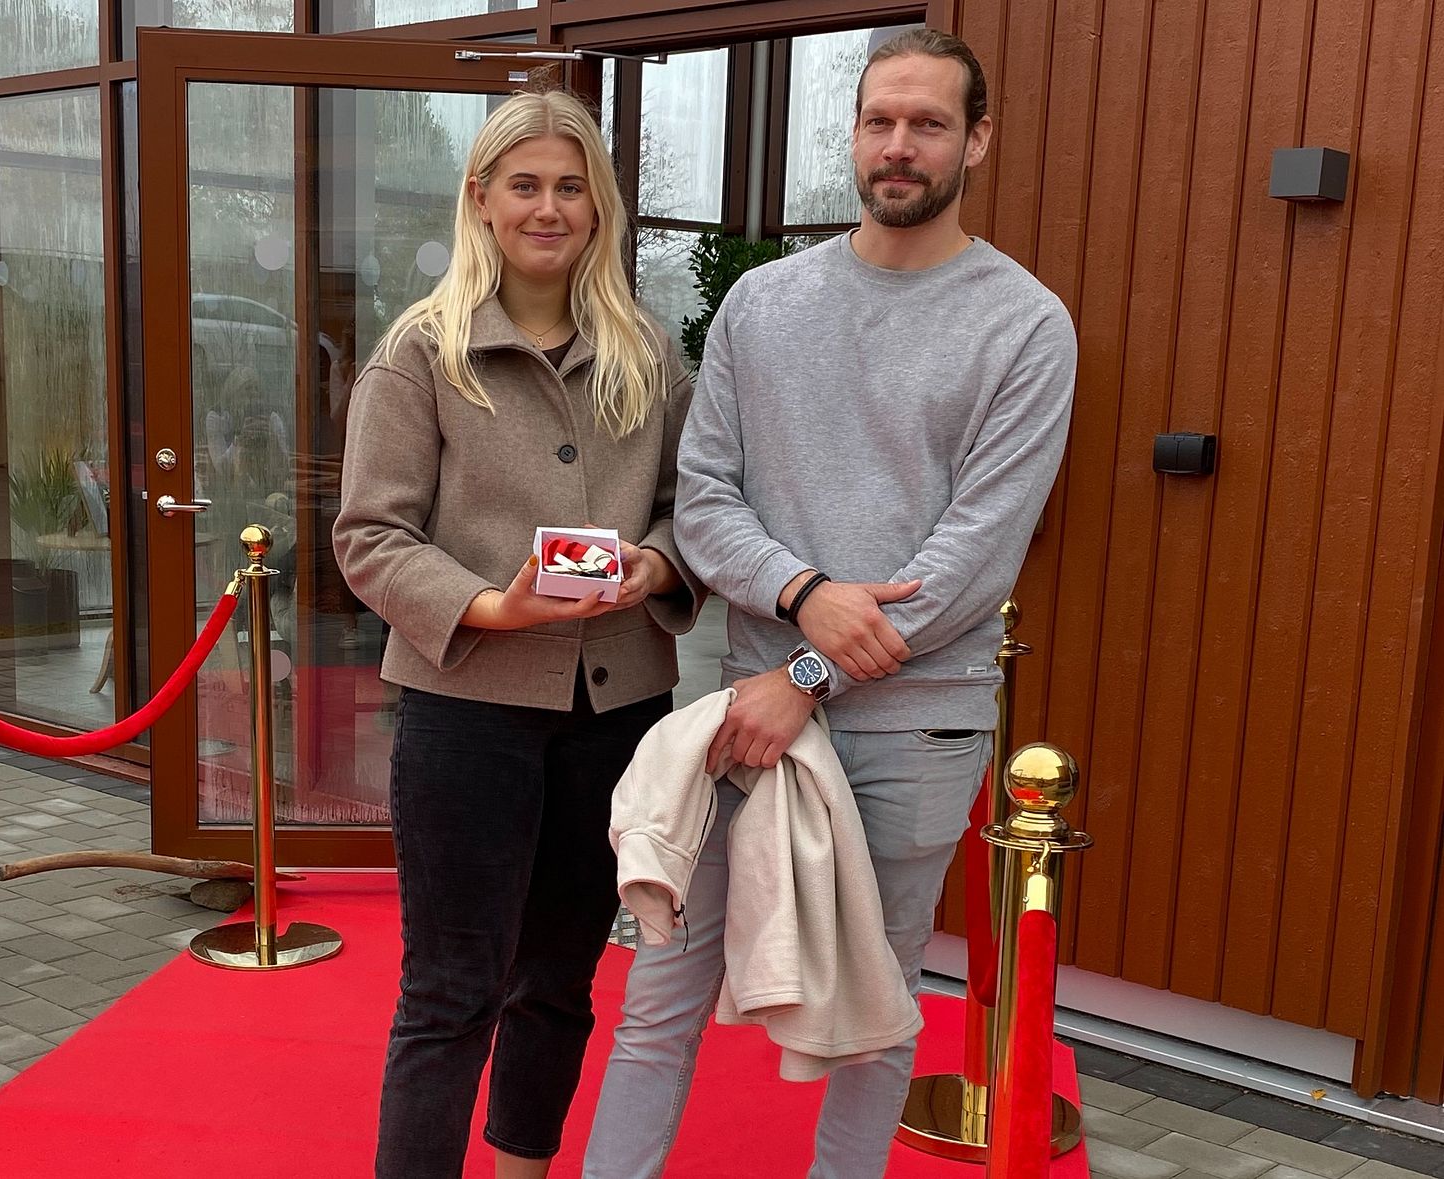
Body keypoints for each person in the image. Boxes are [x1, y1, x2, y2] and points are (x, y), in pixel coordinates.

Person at [581, 29, 1077, 1178]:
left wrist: (804, 674)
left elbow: (973, 561)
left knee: (872, 1016)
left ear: (978, 141)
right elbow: (702, 502)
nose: (900, 146)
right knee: (661, 992)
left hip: (909, 728)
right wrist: (803, 598)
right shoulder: (763, 305)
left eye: (930, 123)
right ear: (853, 135)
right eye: (880, 121)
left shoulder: (1025, 325)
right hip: (747, 720)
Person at [332, 89, 702, 1179]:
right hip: (467, 715)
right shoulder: (420, 354)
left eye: (571, 186)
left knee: (560, 980)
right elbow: (369, 536)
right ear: (481, 200)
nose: (550, 207)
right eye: (526, 185)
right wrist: (491, 606)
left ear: (599, 207)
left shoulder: (649, 356)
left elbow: (698, 508)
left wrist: (658, 564)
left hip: (618, 714)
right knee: (451, 990)